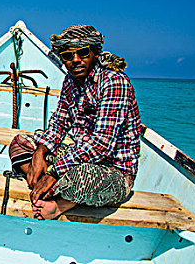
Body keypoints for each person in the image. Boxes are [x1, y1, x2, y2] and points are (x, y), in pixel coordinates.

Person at [9, 24, 141, 220]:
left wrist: (54, 171)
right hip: (76, 156)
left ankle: (58, 203)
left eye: (82, 53)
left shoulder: (114, 82)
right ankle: (41, 183)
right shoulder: (70, 82)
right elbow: (60, 122)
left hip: (112, 171)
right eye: (68, 56)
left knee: (82, 177)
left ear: (95, 53)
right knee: (20, 143)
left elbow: (101, 145)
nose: (75, 60)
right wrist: (40, 153)